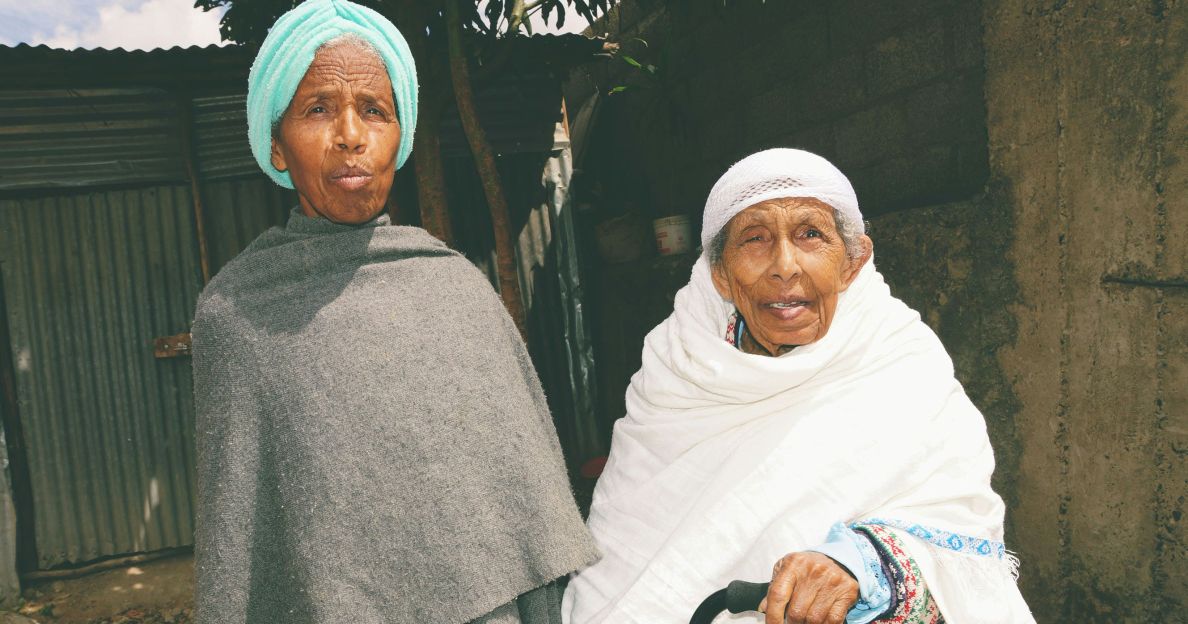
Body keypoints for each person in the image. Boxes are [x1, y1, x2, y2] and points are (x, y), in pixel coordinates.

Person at [191, 1, 599, 622]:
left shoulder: (458, 292)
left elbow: (526, 498)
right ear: (277, 146)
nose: (351, 135)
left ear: (400, 139)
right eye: (318, 108)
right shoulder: (237, 314)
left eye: (374, 111)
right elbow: (238, 537)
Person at [562, 149, 1035, 624]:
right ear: (720, 274)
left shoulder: (900, 357)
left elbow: (960, 527)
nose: (785, 265)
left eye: (811, 234)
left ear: (852, 262)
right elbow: (625, 556)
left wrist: (860, 563)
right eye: (755, 238)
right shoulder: (676, 369)